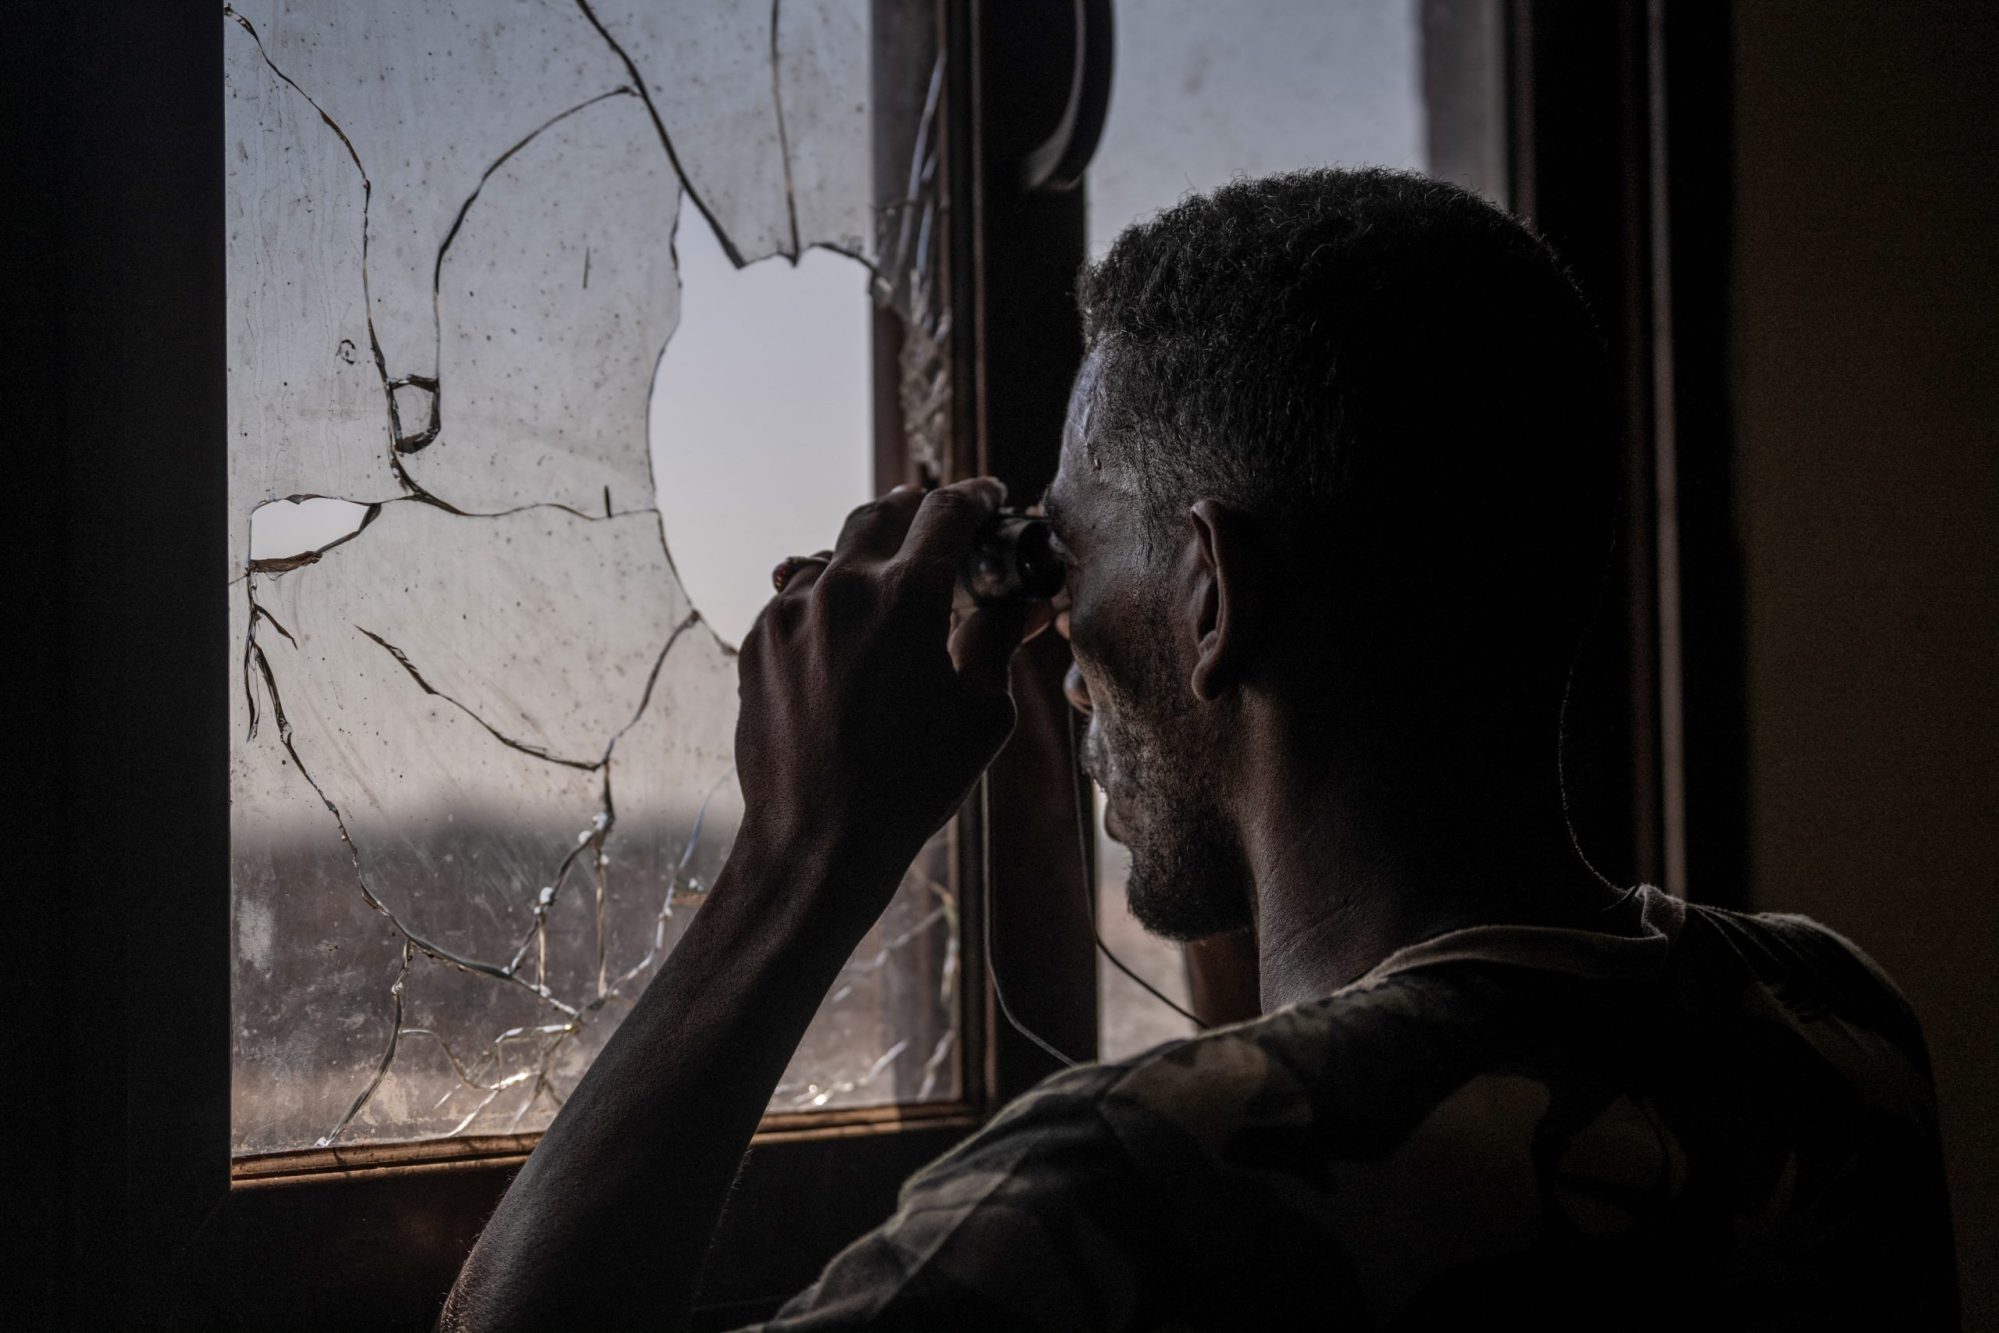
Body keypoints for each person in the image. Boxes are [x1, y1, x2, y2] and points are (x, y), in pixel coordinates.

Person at [441, 169, 1956, 1330]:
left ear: (1211, 598)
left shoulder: (1111, 1195)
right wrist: (1212, 749)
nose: (1063, 663)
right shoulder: (1829, 1026)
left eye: (1062, 565)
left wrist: (798, 855)